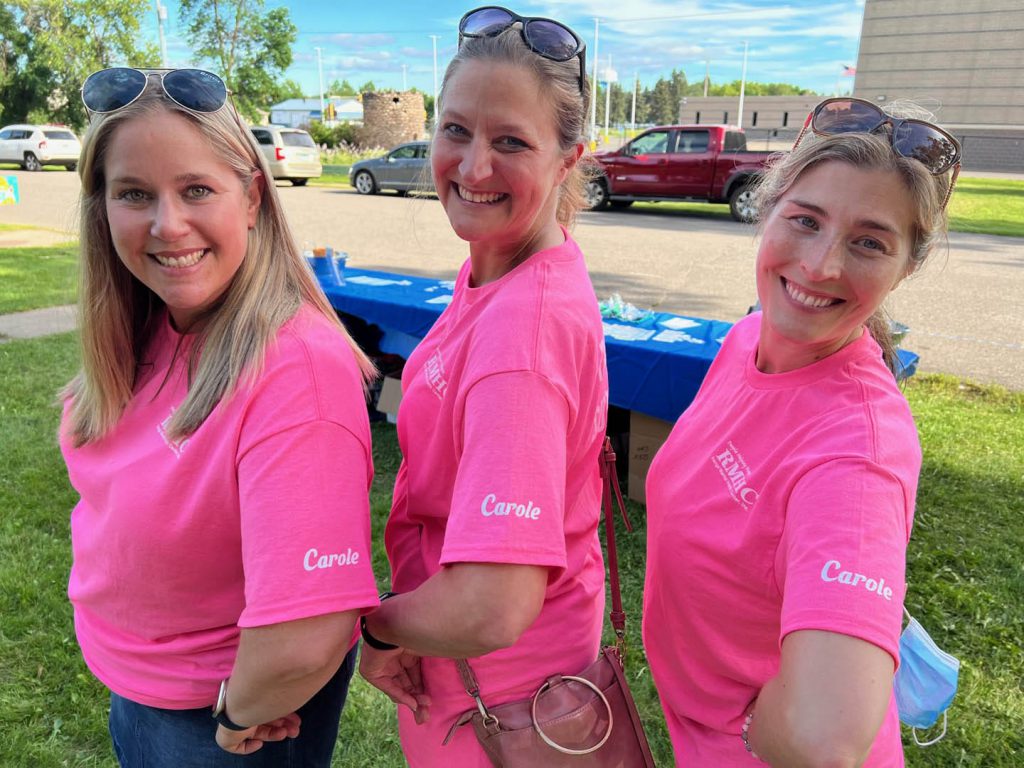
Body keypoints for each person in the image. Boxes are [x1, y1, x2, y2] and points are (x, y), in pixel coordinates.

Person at [60, 67, 380, 766]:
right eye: (134, 194)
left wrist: (239, 715)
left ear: (253, 199)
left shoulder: (296, 371)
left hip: (221, 729)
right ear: (101, 207)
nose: (166, 225)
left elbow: (306, 632)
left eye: (196, 189)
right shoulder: (151, 329)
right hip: (141, 697)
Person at [642, 97, 961, 767]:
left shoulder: (858, 451)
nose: (820, 265)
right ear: (769, 209)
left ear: (907, 264)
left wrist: (737, 738)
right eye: (806, 221)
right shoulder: (747, 339)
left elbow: (826, 736)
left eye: (870, 242)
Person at [356, 8, 608, 766]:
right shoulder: (509, 270)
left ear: (568, 159)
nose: (471, 168)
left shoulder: (519, 338)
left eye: (510, 142)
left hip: (498, 708)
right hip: (503, 687)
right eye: (456, 131)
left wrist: (376, 629)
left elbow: (490, 605)